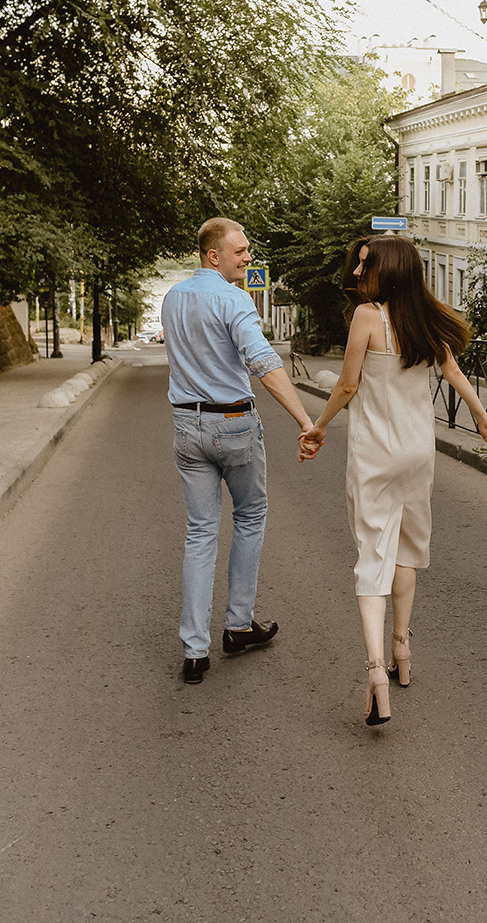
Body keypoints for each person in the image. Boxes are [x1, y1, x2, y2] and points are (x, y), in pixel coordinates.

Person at [298, 234, 487, 725]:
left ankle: (375, 672)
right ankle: (402, 650)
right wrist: (482, 417)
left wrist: (317, 428)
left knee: (373, 555)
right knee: (408, 550)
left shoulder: (367, 317)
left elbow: (347, 384)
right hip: (417, 452)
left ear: (390, 271)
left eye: (365, 265)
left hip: (376, 454)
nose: (355, 273)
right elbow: (453, 371)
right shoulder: (423, 319)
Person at [162, 217, 316, 685]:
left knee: (200, 532)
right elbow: (263, 362)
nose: (248, 257)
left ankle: (194, 652)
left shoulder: (173, 298)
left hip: (187, 425)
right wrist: (305, 421)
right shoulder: (234, 300)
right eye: (240, 251)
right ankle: (238, 624)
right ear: (214, 255)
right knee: (249, 515)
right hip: (232, 425)